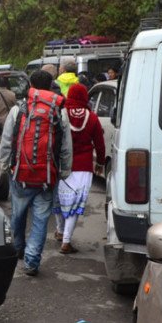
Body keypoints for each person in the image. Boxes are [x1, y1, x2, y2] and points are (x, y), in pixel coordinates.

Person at [0, 69, 72, 277]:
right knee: (40, 221)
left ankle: (19, 249)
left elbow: (6, 141)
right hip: (47, 177)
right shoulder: (59, 111)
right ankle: (31, 262)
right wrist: (65, 169)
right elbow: (66, 145)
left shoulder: (18, 109)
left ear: (30, 85)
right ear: (50, 87)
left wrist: (3, 165)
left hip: (20, 175)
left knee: (18, 216)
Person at [52, 83, 105, 254]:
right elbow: (100, 144)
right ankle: (66, 241)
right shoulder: (92, 117)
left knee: (60, 200)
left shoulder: (60, 114)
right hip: (83, 166)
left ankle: (60, 231)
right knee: (74, 204)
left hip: (62, 164)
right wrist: (101, 163)